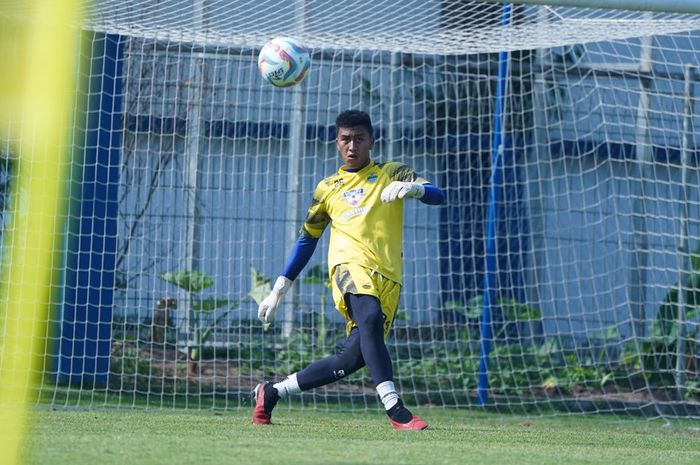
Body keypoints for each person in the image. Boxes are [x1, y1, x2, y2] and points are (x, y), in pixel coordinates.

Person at [253, 110, 445, 430]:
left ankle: (271, 393)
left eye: (358, 138)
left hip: (389, 278)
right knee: (368, 317)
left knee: (351, 360)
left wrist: (416, 190)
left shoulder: (393, 171)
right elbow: (307, 240)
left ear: (371, 140)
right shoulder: (327, 188)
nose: (352, 145)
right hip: (349, 267)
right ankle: (396, 409)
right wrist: (278, 290)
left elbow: (438, 195)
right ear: (337, 142)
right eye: (345, 139)